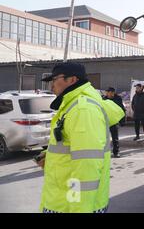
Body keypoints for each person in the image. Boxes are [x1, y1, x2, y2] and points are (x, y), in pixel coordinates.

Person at [36, 62, 124, 213]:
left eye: (55, 79)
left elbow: (86, 169)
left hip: (69, 206)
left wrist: (79, 209)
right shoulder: (72, 105)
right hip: (61, 201)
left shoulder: (82, 110)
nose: (51, 86)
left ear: (72, 80)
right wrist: (50, 158)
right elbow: (72, 151)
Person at [103, 87, 126, 158]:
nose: (106, 93)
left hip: (114, 121)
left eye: (108, 92)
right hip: (105, 121)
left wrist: (122, 121)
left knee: (115, 138)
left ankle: (116, 152)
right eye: (106, 92)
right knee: (104, 138)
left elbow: (122, 109)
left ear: (112, 92)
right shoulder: (103, 98)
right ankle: (104, 152)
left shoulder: (118, 99)